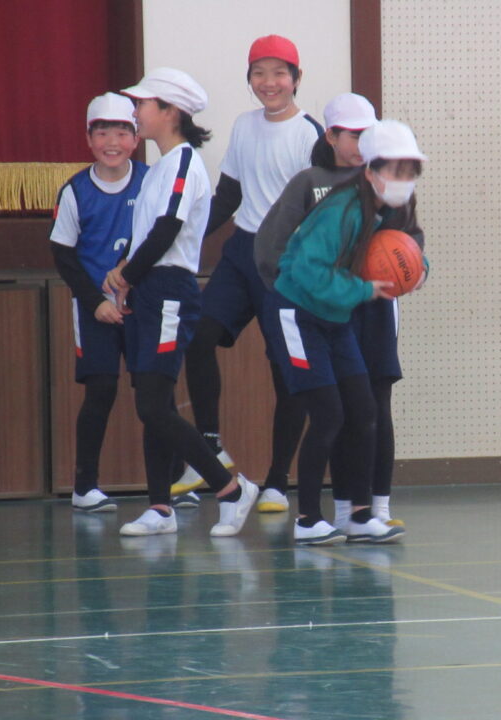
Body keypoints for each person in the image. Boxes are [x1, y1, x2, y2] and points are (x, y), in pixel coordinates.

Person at [255, 93, 424, 531]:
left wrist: (417, 267)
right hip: (298, 313)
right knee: (328, 414)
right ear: (371, 170)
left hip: (336, 315)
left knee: (364, 409)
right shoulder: (341, 208)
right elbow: (306, 271)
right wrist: (363, 288)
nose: (403, 180)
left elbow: (408, 246)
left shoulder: (387, 206)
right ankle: (308, 519)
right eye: (395, 170)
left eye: (410, 171)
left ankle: (360, 516)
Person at [104, 67, 259, 537]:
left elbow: (168, 229)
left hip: (169, 292)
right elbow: (146, 234)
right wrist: (128, 275)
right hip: (147, 290)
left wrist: (126, 273)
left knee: (154, 406)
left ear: (170, 111)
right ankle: (160, 507)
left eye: (142, 104)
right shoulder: (159, 168)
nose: (134, 112)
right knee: (154, 404)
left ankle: (230, 488)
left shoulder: (185, 164)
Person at [176, 34, 324, 515]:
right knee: (199, 336)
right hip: (241, 252)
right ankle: (210, 448)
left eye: (279, 73)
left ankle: (278, 481)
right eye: (259, 73)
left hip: (287, 262)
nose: (269, 82)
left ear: (297, 79)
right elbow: (228, 197)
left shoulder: (311, 135)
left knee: (286, 370)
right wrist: (185, 239)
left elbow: (320, 209)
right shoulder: (243, 125)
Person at [50, 92, 147, 513]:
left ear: (136, 139)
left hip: (143, 303)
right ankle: (84, 486)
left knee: (154, 393)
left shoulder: (151, 181)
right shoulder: (75, 190)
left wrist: (132, 280)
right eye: (102, 133)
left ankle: (171, 483)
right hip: (96, 308)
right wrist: (94, 303)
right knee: (101, 390)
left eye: (122, 133)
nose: (112, 142)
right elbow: (64, 255)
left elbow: (162, 238)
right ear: (89, 139)